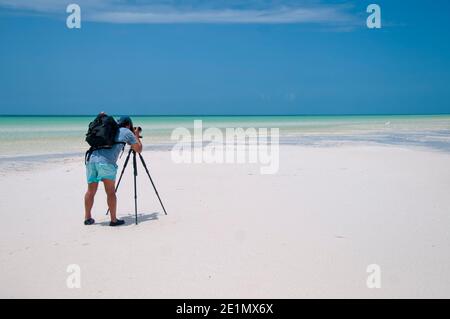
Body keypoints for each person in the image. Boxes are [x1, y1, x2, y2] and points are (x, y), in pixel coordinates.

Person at [84, 115, 143, 226]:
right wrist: (136, 135)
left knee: (90, 191)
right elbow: (138, 149)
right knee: (110, 192)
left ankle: (87, 218)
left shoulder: (110, 129)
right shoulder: (126, 131)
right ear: (129, 124)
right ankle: (113, 220)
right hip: (106, 163)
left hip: (91, 160)